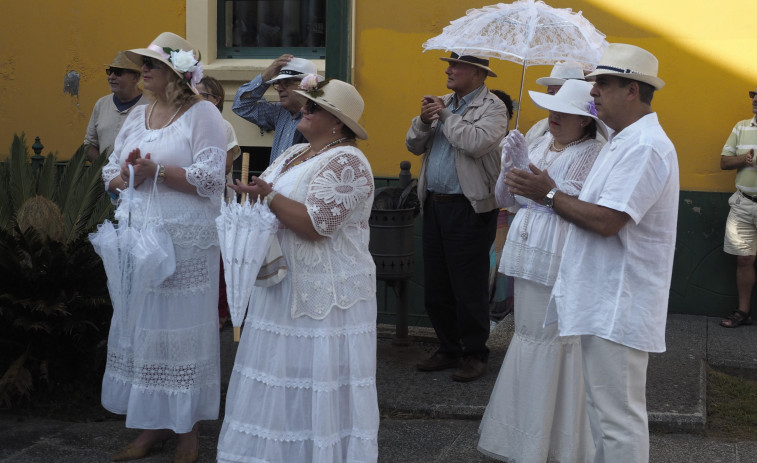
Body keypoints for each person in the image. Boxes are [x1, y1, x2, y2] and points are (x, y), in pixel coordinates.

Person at [505, 43, 679, 463]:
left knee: (618, 422)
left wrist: (547, 194)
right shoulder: (623, 142)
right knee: (604, 417)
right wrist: (548, 189)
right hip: (602, 299)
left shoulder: (644, 147)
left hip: (619, 303)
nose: (593, 92)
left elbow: (607, 221)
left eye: (602, 83)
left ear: (632, 90)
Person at [217, 77, 379, 462]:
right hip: (282, 285)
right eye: (305, 103)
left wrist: (268, 197)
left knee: (315, 381)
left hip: (326, 292)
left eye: (314, 106)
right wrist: (250, 198)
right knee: (279, 377)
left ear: (337, 122)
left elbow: (317, 226)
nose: (303, 109)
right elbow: (270, 198)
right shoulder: (296, 153)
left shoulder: (349, 162)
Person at [100, 32, 227, 463]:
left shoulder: (202, 113)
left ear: (174, 72)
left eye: (150, 64)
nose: (143, 70)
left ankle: (188, 433)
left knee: (182, 334)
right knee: (145, 332)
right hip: (142, 239)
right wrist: (127, 176)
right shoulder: (139, 113)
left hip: (187, 242)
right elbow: (110, 173)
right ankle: (151, 427)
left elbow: (212, 178)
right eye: (142, 64)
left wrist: (158, 171)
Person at [478, 80, 607, 463]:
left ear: (586, 121)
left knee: (554, 339)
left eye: (566, 112)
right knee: (530, 334)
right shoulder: (537, 143)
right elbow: (505, 200)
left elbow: (580, 202)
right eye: (553, 108)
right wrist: (510, 166)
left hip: (561, 249)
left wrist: (541, 186)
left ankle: (556, 442)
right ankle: (523, 437)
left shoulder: (594, 152)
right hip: (528, 245)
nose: (554, 116)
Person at [406, 52, 508, 382]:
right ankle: (448, 347)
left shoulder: (494, 108)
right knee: (437, 284)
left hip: (470, 205)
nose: (449, 70)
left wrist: (446, 116)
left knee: (469, 285)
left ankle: (475, 352)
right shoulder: (443, 102)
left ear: (478, 74)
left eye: (457, 66)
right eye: (449, 65)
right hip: (435, 203)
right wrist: (423, 121)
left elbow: (475, 143)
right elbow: (413, 145)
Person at [196, 75, 242, 331]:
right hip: (195, 200)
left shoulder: (223, 126)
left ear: (216, 100)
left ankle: (221, 313)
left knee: (221, 259)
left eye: (203, 95)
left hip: (218, 202)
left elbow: (224, 165)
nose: (197, 99)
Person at [232, 54, 323, 164]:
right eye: (277, 83)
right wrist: (266, 75)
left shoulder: (320, 117)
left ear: (306, 85)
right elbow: (241, 106)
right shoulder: (279, 112)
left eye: (286, 83)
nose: (279, 88)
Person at [719, 87, 757, 328]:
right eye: (754, 95)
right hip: (743, 203)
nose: (755, 99)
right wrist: (744, 159)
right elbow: (723, 162)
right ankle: (743, 312)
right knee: (744, 260)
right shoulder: (741, 126)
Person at [84, 51, 148, 162]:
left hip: (137, 177)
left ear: (135, 78)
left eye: (118, 72)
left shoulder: (151, 106)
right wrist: (104, 168)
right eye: (110, 72)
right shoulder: (101, 104)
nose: (111, 77)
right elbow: (89, 144)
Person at [524, 61, 586, 146]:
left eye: (562, 93)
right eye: (551, 93)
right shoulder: (537, 129)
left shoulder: (593, 144)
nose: (555, 99)